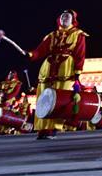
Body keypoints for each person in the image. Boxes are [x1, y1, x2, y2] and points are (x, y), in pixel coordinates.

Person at [27, 10, 87, 139]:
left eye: (68, 17)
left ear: (73, 20)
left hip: (65, 69)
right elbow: (40, 50)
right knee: (43, 97)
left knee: (59, 99)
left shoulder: (78, 34)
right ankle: (42, 128)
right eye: (63, 16)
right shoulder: (52, 35)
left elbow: (80, 55)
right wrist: (31, 55)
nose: (65, 18)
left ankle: (53, 128)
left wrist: (77, 74)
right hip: (48, 67)